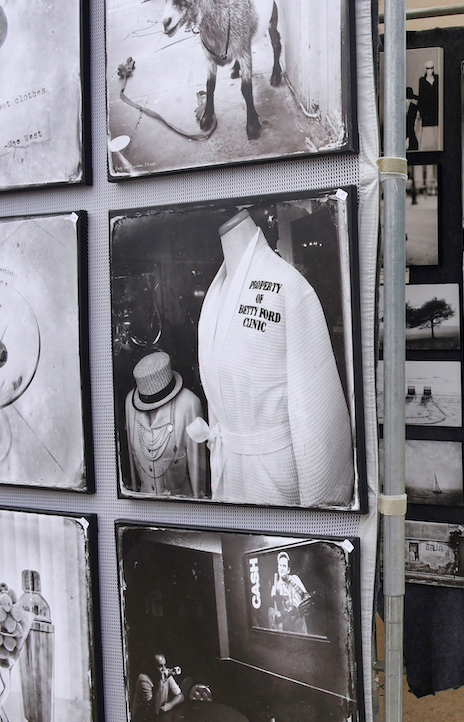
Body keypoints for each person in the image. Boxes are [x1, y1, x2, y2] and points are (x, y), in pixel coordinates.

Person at [190, 209, 355, 508]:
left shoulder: (288, 287)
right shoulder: (217, 293)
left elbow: (316, 406)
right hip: (229, 464)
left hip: (274, 474)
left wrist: (323, 505)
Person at [125, 351, 208, 498]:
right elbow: (132, 468)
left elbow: (198, 469)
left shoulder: (189, 404)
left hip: (181, 504)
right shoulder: (129, 403)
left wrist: (199, 503)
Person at [268, 551, 311, 633]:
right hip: (288, 627)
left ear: (288, 570)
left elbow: (306, 596)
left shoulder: (295, 578)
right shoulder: (277, 587)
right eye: (280, 565)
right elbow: (279, 614)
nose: (281, 568)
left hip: (300, 623)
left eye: (284, 566)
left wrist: (303, 605)